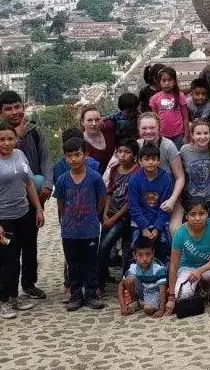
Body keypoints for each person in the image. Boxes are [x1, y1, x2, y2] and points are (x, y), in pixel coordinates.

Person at [0, 90, 52, 299]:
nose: (15, 112)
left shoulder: (34, 131)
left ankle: (29, 283)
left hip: (31, 200)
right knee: (7, 250)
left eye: (17, 107)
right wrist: (15, 136)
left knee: (30, 243)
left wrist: (47, 184)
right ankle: (6, 292)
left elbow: (46, 158)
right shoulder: (4, 136)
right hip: (4, 209)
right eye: (8, 109)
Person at [53, 137, 106, 311]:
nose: (74, 159)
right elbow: (61, 204)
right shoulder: (62, 180)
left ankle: (91, 294)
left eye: (77, 154)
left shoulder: (95, 178)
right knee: (72, 263)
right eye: (70, 156)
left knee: (91, 262)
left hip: (90, 228)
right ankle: (75, 294)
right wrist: (67, 220)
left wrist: (93, 215)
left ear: (86, 155)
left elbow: (101, 200)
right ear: (65, 157)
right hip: (69, 230)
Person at [0, 120, 44, 319]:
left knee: (26, 253)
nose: (6, 143)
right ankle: (4, 301)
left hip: (23, 215)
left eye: (10, 138)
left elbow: (28, 183)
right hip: (4, 220)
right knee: (8, 261)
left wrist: (38, 208)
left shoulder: (19, 155)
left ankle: (14, 297)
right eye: (1, 139)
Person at [165, 196, 210, 315]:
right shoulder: (180, 233)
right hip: (187, 268)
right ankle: (198, 286)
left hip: (209, 266)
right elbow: (173, 265)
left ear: (207, 214)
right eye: (193, 214)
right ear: (186, 216)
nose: (197, 218)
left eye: (201, 213)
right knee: (183, 295)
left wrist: (199, 270)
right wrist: (171, 297)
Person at [98, 138, 139, 293]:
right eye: (120, 152)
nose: (123, 155)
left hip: (125, 216)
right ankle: (100, 283)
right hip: (111, 214)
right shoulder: (115, 169)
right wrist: (105, 213)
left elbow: (130, 201)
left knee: (127, 250)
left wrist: (114, 218)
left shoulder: (137, 172)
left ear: (134, 155)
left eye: (127, 152)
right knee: (102, 248)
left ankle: (126, 286)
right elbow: (110, 191)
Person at [136, 112, 186, 234]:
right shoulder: (137, 145)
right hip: (145, 199)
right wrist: (115, 159)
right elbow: (120, 155)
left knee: (175, 230)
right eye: (144, 128)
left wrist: (173, 200)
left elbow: (180, 177)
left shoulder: (168, 146)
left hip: (169, 198)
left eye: (152, 128)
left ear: (159, 128)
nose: (148, 131)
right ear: (138, 129)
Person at [128, 143, 173, 266]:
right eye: (146, 159)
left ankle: (162, 279)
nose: (150, 162)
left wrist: (157, 228)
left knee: (163, 251)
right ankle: (130, 278)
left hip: (159, 222)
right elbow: (134, 206)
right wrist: (144, 227)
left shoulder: (166, 178)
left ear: (159, 161)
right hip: (139, 223)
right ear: (140, 162)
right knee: (135, 252)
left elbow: (165, 206)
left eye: (154, 159)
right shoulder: (134, 179)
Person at [179, 120, 210, 221]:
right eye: (198, 133)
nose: (202, 137)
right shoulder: (184, 150)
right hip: (192, 199)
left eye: (206, 133)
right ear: (192, 135)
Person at [118, 236, 167, 317]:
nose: (144, 259)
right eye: (140, 255)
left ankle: (142, 304)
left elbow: (162, 290)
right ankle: (136, 301)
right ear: (135, 255)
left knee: (147, 309)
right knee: (129, 280)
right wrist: (122, 305)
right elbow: (121, 285)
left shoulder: (158, 269)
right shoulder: (133, 267)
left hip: (154, 293)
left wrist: (162, 310)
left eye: (148, 254)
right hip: (142, 291)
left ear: (153, 253)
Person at [149, 66, 189, 149]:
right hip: (162, 135)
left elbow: (185, 117)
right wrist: (156, 135)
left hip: (179, 135)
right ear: (159, 82)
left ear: (174, 82)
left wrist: (186, 135)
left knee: (178, 156)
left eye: (170, 80)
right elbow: (155, 119)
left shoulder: (180, 96)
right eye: (164, 80)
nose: (167, 83)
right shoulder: (154, 98)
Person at [80, 104, 115, 175]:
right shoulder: (82, 145)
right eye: (89, 120)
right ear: (82, 122)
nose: (94, 123)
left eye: (97, 120)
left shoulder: (108, 127)